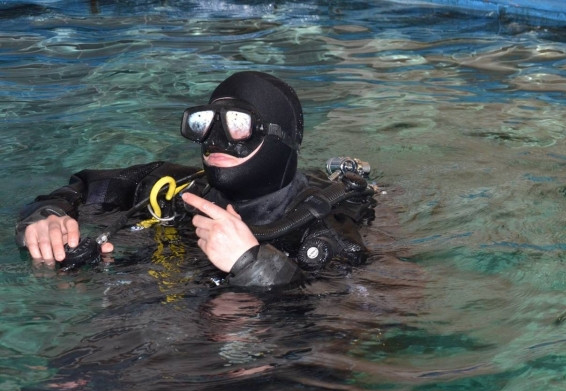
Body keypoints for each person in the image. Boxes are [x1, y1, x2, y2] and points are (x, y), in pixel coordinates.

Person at [14, 71, 377, 287]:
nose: (214, 140)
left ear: (279, 138)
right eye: (204, 123)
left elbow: (354, 324)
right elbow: (84, 186)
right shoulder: (173, 186)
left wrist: (252, 264)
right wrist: (47, 216)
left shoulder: (325, 226)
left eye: (237, 126)